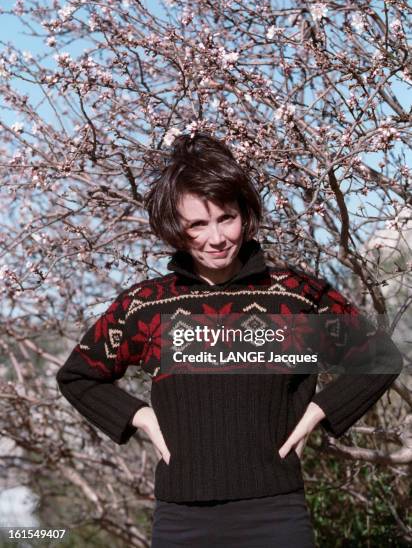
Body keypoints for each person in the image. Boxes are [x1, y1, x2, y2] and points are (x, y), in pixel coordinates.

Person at [56, 133, 403, 547]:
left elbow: (379, 357)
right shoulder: (147, 306)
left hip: (276, 514)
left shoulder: (293, 297)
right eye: (197, 225)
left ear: (245, 214)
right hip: (183, 520)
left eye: (226, 218)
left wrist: (319, 412)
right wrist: (141, 418)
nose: (216, 238)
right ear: (175, 229)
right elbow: (78, 376)